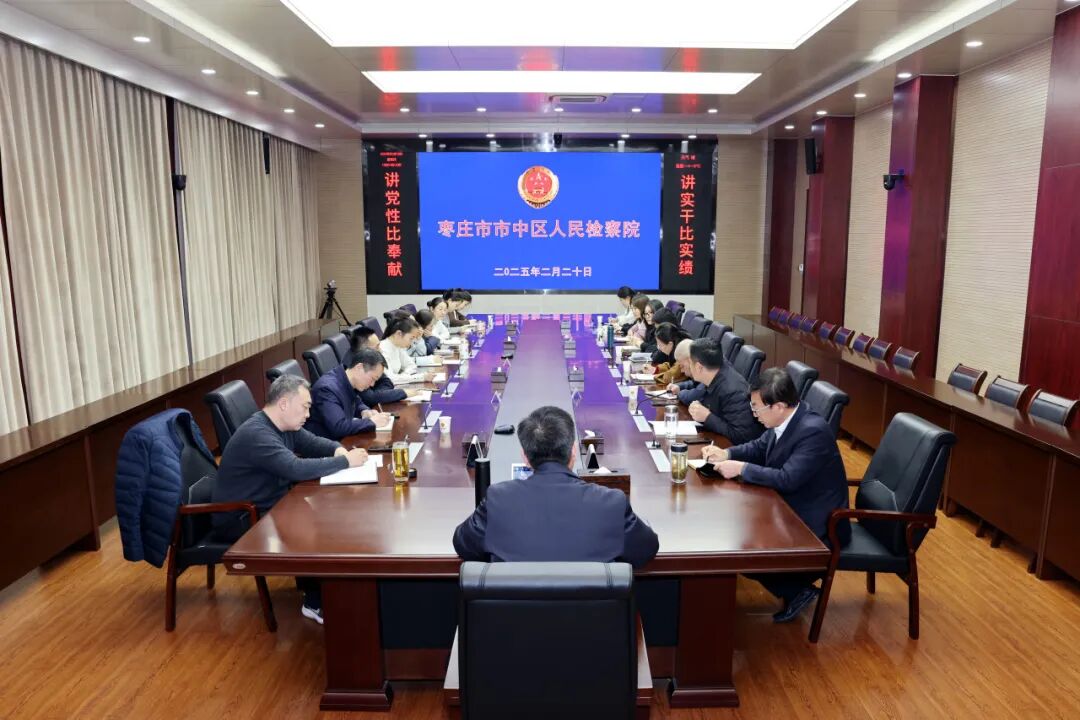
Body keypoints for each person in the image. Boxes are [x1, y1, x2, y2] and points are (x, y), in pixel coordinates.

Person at [211, 374, 368, 622]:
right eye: (305, 407)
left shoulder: (284, 425)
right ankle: (315, 601)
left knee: (328, 514)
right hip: (241, 518)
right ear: (284, 403)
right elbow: (295, 468)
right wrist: (345, 462)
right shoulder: (258, 434)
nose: (308, 414)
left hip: (268, 505)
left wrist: (337, 449)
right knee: (317, 525)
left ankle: (330, 588)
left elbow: (313, 442)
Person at [701, 367, 850, 623]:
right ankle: (794, 589)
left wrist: (742, 469)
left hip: (817, 521)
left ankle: (796, 590)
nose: (753, 413)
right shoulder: (785, 420)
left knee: (745, 547)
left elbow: (787, 479)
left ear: (779, 406)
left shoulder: (813, 431)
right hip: (789, 505)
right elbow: (760, 447)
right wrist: (728, 454)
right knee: (739, 536)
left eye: (756, 408)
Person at [453, 406, 659, 568]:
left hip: (515, 612)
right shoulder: (611, 503)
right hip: (591, 611)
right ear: (573, 452)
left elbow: (463, 544)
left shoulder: (498, 500)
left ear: (525, 457)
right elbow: (646, 549)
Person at [684, 338, 763, 444]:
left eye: (690, 363)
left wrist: (707, 417)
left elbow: (742, 437)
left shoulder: (733, 392)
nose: (689, 367)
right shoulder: (714, 372)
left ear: (699, 367)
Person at [305, 348, 393, 440]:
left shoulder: (348, 379)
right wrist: (371, 422)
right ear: (359, 367)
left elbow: (357, 401)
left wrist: (364, 411)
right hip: (326, 443)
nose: (372, 384)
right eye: (373, 378)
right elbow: (338, 427)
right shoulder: (327, 389)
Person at [349, 325, 418, 405]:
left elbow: (387, 381)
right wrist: (402, 393)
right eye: (377, 347)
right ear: (365, 350)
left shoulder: (371, 361)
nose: (381, 350)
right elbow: (369, 398)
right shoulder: (354, 366)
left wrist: (378, 394)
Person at [378, 317, 432, 385]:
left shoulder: (398, 346)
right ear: (399, 334)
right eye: (411, 338)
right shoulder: (382, 349)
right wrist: (420, 377)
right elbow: (390, 379)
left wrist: (403, 377)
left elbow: (412, 365)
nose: (411, 343)